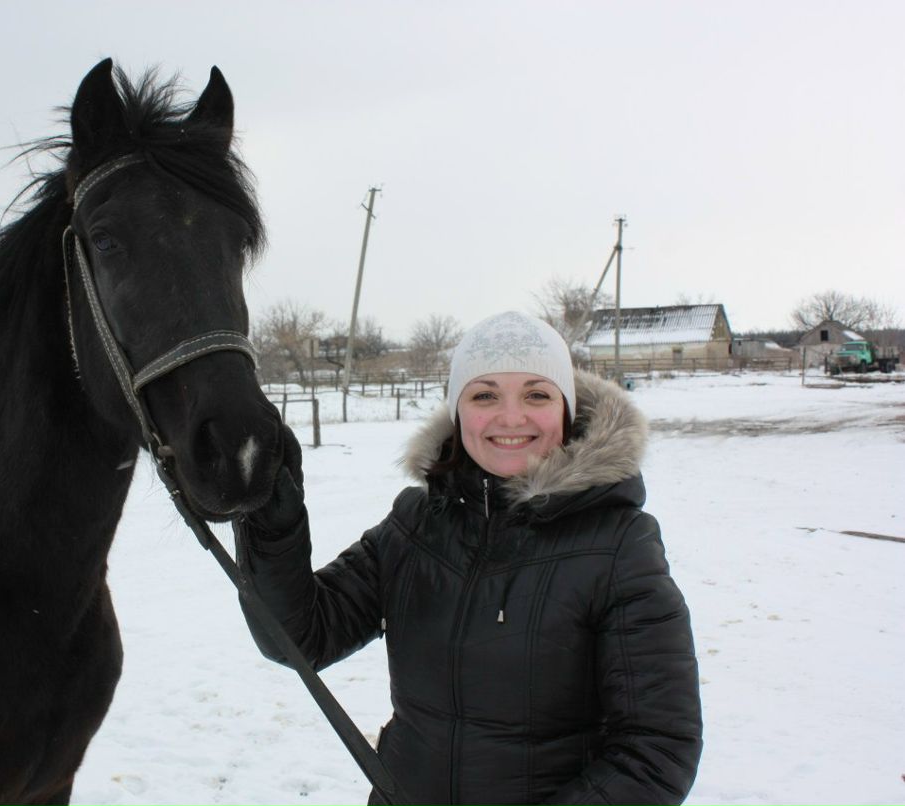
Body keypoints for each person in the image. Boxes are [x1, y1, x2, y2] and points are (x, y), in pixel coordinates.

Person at [234, 311, 702, 805]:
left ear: (565, 410)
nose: (511, 417)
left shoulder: (617, 545)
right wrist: (272, 527)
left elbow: (658, 749)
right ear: (458, 412)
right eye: (484, 395)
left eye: (537, 394)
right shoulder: (415, 525)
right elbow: (299, 638)